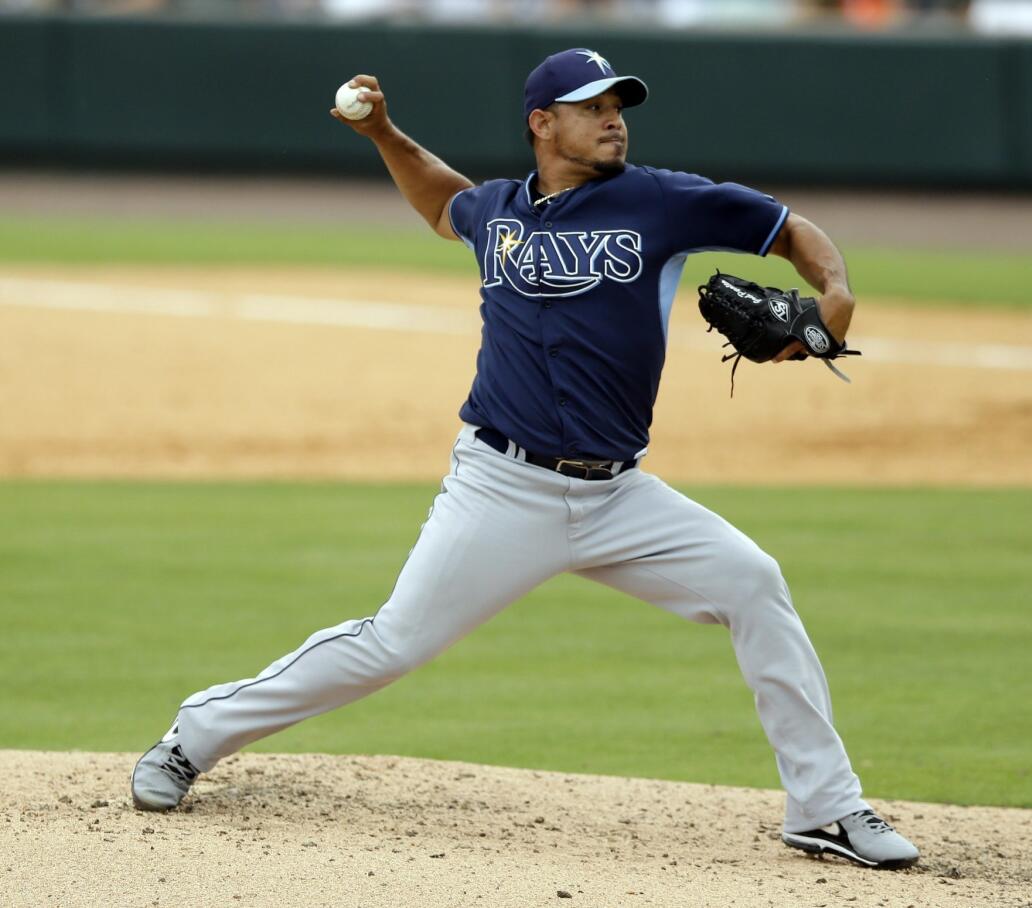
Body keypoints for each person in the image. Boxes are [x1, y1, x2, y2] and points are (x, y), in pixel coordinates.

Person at [131, 47, 919, 870]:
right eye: (592, 106)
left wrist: (835, 294)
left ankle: (825, 809)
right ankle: (193, 737)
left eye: (619, 105)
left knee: (753, 582)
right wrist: (384, 133)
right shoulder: (500, 213)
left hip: (620, 499)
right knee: (390, 644)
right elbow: (447, 202)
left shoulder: (661, 200)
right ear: (543, 123)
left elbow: (790, 230)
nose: (614, 118)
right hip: (500, 489)